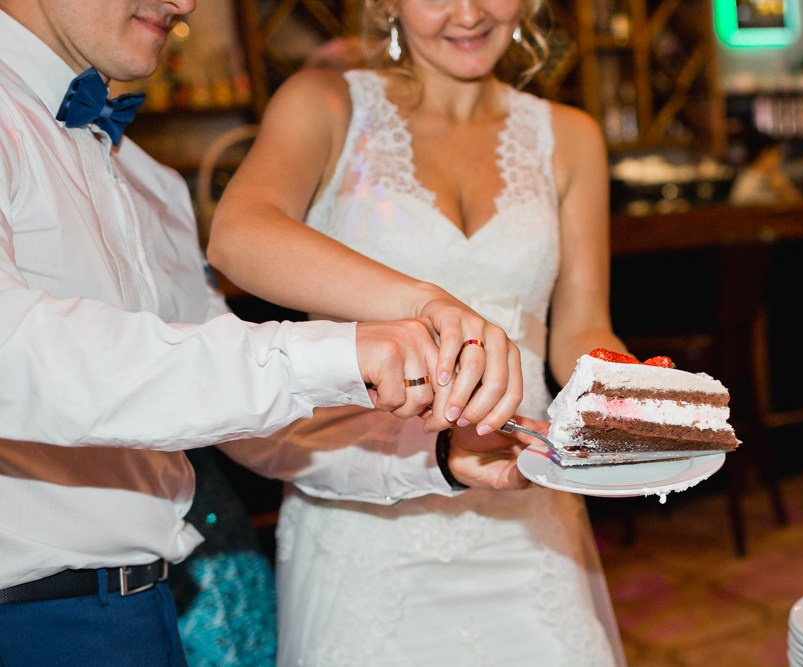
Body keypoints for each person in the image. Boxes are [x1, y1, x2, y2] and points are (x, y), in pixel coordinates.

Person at [0, 0, 535, 663]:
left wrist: (440, 455)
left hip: (142, 614)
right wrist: (342, 348)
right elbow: (18, 353)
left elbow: (250, 423)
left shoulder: (148, 181)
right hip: (25, 618)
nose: (185, 3)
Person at [207, 1, 629, 664]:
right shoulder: (325, 105)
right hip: (364, 517)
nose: (467, 14)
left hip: (523, 507)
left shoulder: (570, 135)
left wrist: (638, 400)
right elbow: (238, 237)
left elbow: (582, 325)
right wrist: (424, 302)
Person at [729, 132, 801, 205]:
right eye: (776, 153)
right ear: (765, 154)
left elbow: (799, 205)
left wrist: (784, 189)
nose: (780, 158)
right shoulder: (747, 182)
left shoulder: (773, 177)